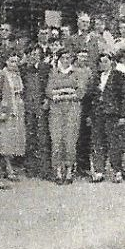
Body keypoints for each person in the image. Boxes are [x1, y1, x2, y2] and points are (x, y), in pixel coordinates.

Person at [88, 48, 125, 183]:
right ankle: (99, 171)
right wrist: (90, 115)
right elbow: (91, 98)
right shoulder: (96, 77)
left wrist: (122, 116)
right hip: (98, 114)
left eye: (106, 62)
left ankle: (117, 171)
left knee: (115, 143)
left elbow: (123, 97)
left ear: (112, 62)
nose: (103, 64)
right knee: (98, 142)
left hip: (113, 113)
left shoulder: (119, 76)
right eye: (101, 62)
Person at [44, 48, 87, 184]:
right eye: (63, 58)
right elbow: (49, 92)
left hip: (72, 109)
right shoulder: (53, 73)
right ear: (59, 59)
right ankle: (58, 172)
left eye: (68, 58)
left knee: (70, 140)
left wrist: (61, 93)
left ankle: (69, 172)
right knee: (57, 140)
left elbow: (80, 92)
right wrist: (67, 91)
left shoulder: (77, 73)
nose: (65, 60)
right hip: (56, 110)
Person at [19, 38, 52, 182]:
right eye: (31, 54)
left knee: (43, 137)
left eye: (36, 54)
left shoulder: (46, 68)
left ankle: (45, 169)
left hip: (41, 106)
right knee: (30, 137)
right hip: (28, 107)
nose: (34, 56)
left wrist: (47, 99)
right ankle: (31, 168)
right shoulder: (23, 69)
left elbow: (50, 85)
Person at [0, 51, 27, 180]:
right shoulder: (1, 74)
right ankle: (7, 168)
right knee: (5, 139)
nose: (14, 64)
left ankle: (11, 166)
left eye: (16, 61)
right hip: (6, 109)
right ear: (6, 61)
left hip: (18, 107)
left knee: (15, 138)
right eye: (11, 61)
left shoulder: (17, 75)